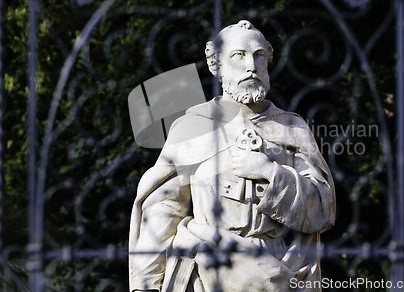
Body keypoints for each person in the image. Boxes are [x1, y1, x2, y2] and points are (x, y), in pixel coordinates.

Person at [129, 20, 336, 292]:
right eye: (238, 55)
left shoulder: (291, 128)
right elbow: (162, 210)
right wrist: (146, 285)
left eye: (258, 55)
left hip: (280, 270)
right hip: (208, 272)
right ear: (217, 65)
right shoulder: (193, 127)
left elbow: (323, 209)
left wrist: (270, 173)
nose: (251, 65)